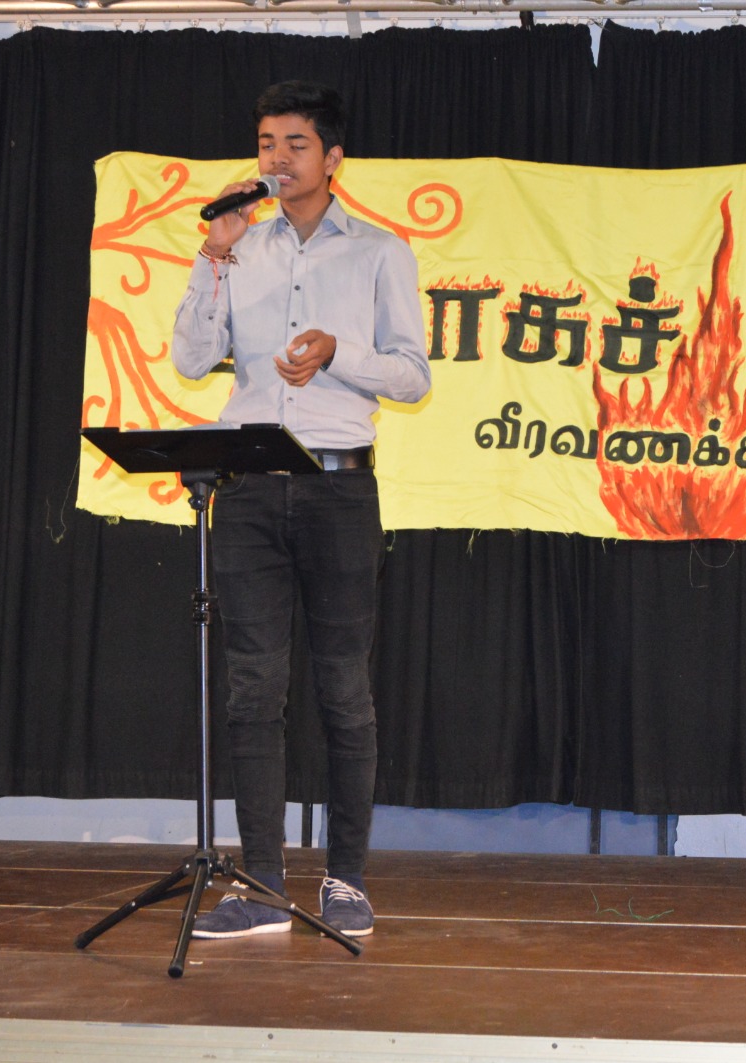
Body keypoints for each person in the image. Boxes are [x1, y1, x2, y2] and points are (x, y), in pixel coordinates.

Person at [171, 80, 431, 939]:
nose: (276, 159)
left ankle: (346, 878)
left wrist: (337, 351)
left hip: (337, 488)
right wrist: (213, 256)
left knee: (344, 690)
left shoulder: (381, 252)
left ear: (333, 158)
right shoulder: (237, 247)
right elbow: (191, 358)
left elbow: (412, 375)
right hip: (248, 489)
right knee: (253, 689)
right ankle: (260, 884)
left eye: (294, 144)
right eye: (265, 144)